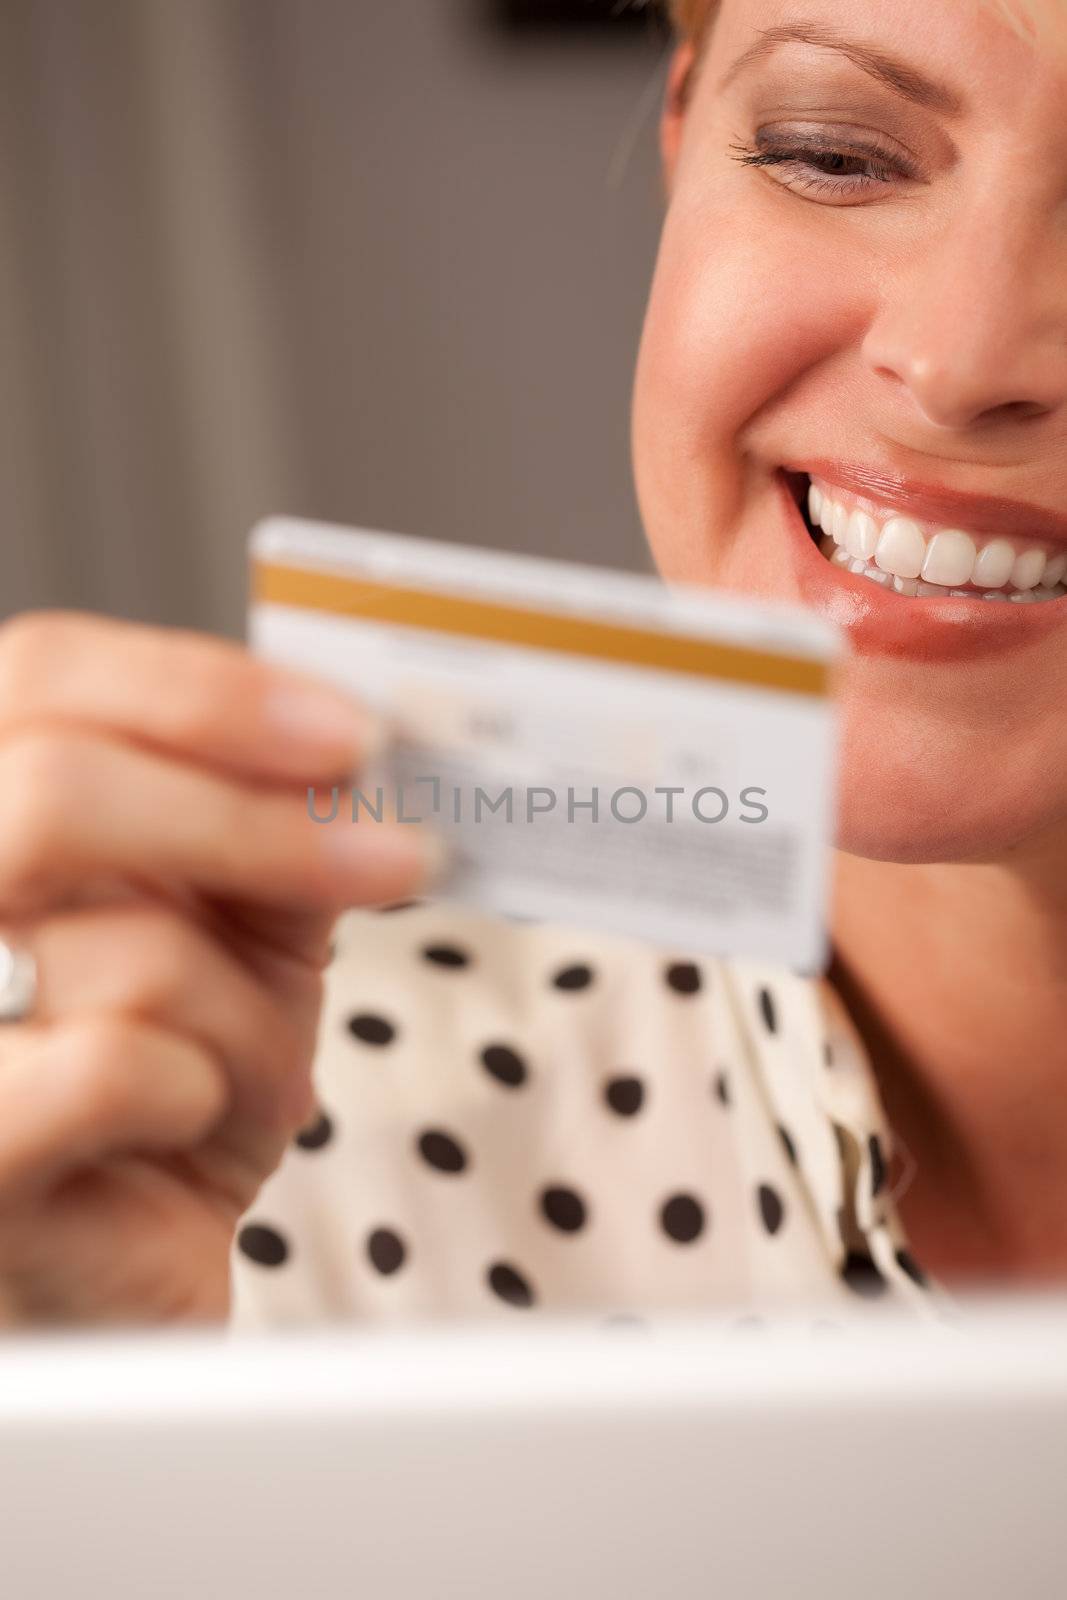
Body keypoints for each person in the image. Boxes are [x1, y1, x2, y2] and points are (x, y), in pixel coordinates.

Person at [0, 0, 1063, 1330]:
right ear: (684, 142)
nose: (963, 362)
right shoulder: (229, 1148)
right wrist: (88, 1432)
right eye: (833, 151)